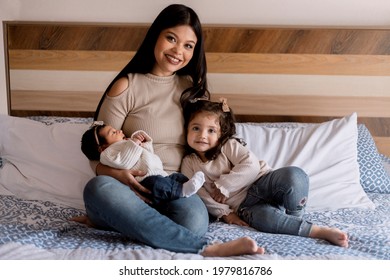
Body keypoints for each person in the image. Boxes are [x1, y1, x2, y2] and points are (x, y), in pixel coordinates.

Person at [72, 4, 264, 256]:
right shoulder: (126, 87)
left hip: (177, 187)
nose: (178, 51)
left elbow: (210, 143)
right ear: (156, 36)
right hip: (131, 188)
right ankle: (206, 249)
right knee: (97, 189)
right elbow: (98, 151)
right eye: (171, 38)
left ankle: (117, 221)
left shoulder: (192, 91)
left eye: (188, 45)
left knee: (195, 223)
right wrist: (121, 177)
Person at [181, 98, 349, 248]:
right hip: (246, 206)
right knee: (268, 221)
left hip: (263, 182)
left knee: (295, 176)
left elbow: (251, 165)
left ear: (222, 133)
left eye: (211, 130)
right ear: (186, 129)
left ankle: (295, 215)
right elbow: (199, 194)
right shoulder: (189, 163)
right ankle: (318, 231)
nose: (202, 135)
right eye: (196, 128)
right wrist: (225, 213)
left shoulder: (228, 145)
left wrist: (224, 186)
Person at [80, 122, 205, 205]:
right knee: (158, 184)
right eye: (113, 132)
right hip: (145, 180)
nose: (119, 131)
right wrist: (134, 143)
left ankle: (184, 187)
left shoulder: (125, 143)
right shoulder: (107, 154)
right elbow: (124, 162)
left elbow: (148, 155)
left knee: (177, 178)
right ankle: (182, 191)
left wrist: (145, 143)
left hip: (160, 173)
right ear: (102, 147)